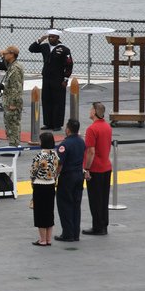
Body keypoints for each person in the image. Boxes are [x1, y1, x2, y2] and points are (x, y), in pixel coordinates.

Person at [28, 29, 73, 131]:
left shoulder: (64, 49)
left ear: (58, 38)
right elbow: (31, 49)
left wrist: (66, 79)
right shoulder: (44, 47)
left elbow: (69, 65)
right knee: (46, 100)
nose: (50, 39)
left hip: (58, 79)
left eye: (53, 37)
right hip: (46, 78)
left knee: (58, 101)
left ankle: (57, 124)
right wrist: (40, 40)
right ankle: (48, 123)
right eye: (49, 37)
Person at [83, 102, 113, 236]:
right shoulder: (107, 127)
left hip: (96, 168)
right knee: (104, 198)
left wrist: (86, 168)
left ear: (94, 112)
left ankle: (97, 226)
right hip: (106, 166)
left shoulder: (91, 129)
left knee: (95, 199)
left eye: (90, 109)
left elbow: (91, 151)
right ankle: (103, 225)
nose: (89, 111)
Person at [54, 118, 86, 243]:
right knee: (76, 205)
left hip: (68, 177)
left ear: (67, 129)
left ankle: (68, 234)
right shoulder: (81, 141)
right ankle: (75, 233)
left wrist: (55, 176)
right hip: (79, 175)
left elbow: (60, 164)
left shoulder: (64, 144)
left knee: (65, 205)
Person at [29, 132, 60, 246]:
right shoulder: (55, 155)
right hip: (51, 184)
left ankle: (42, 239)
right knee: (49, 211)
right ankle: (48, 239)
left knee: (40, 212)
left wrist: (32, 180)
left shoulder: (39, 156)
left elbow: (33, 170)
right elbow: (57, 168)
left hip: (39, 184)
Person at [1, 45, 25, 147]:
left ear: (12, 55)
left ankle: (14, 144)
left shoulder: (15, 68)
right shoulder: (12, 65)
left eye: (6, 53)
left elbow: (16, 87)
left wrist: (13, 103)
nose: (4, 55)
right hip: (8, 99)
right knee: (9, 122)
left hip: (12, 101)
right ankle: (12, 143)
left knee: (13, 123)